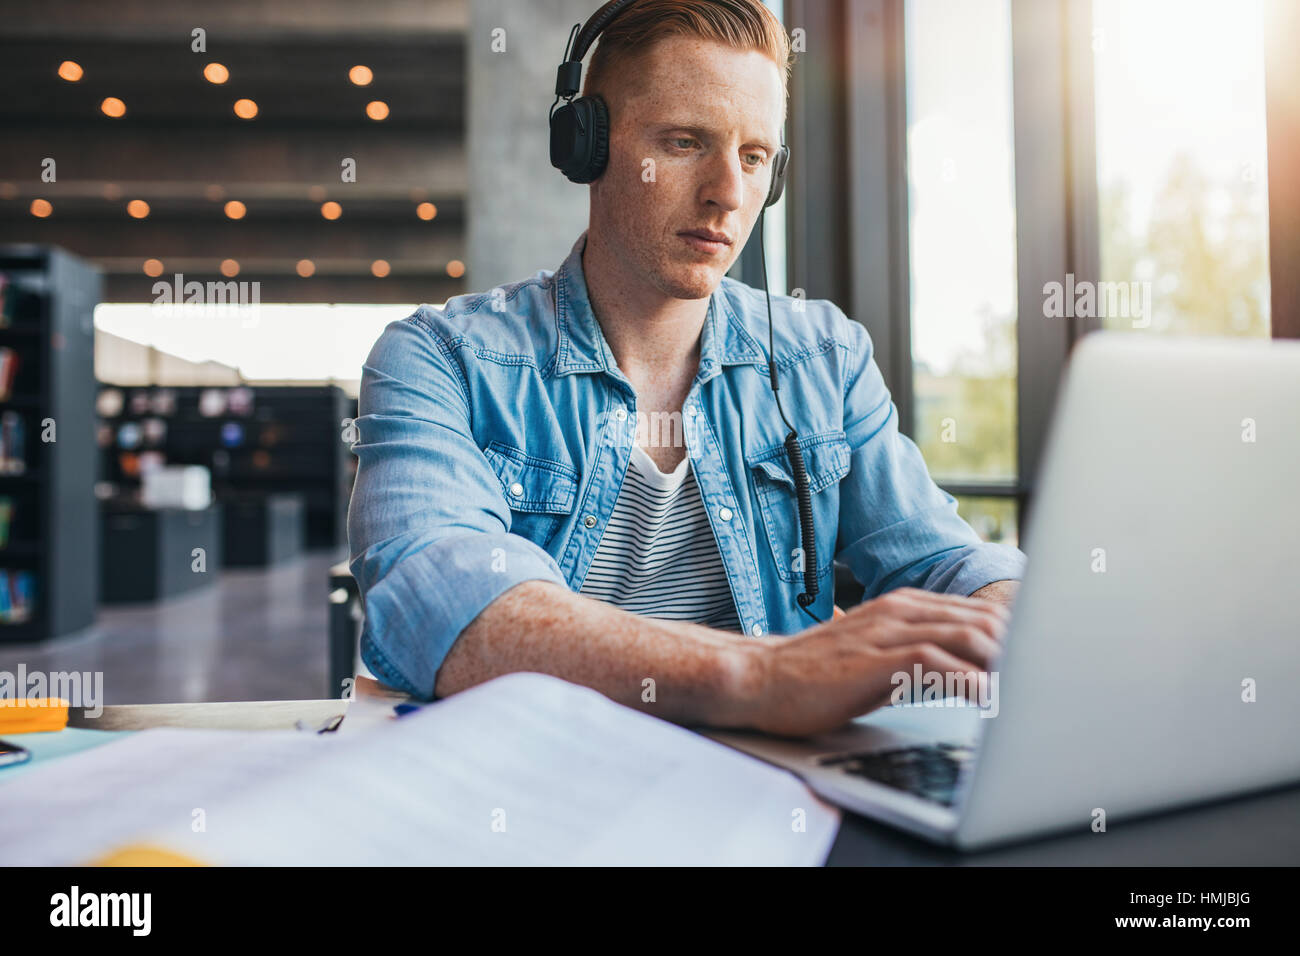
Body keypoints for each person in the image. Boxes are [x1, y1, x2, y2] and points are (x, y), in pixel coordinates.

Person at [347, 0, 1026, 736]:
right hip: (530, 791)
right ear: (588, 146)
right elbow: (441, 605)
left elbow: (942, 559)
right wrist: (761, 674)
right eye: (684, 142)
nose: (729, 194)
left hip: (769, 799)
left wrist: (1011, 615)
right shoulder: (439, 359)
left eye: (755, 156)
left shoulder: (825, 360)